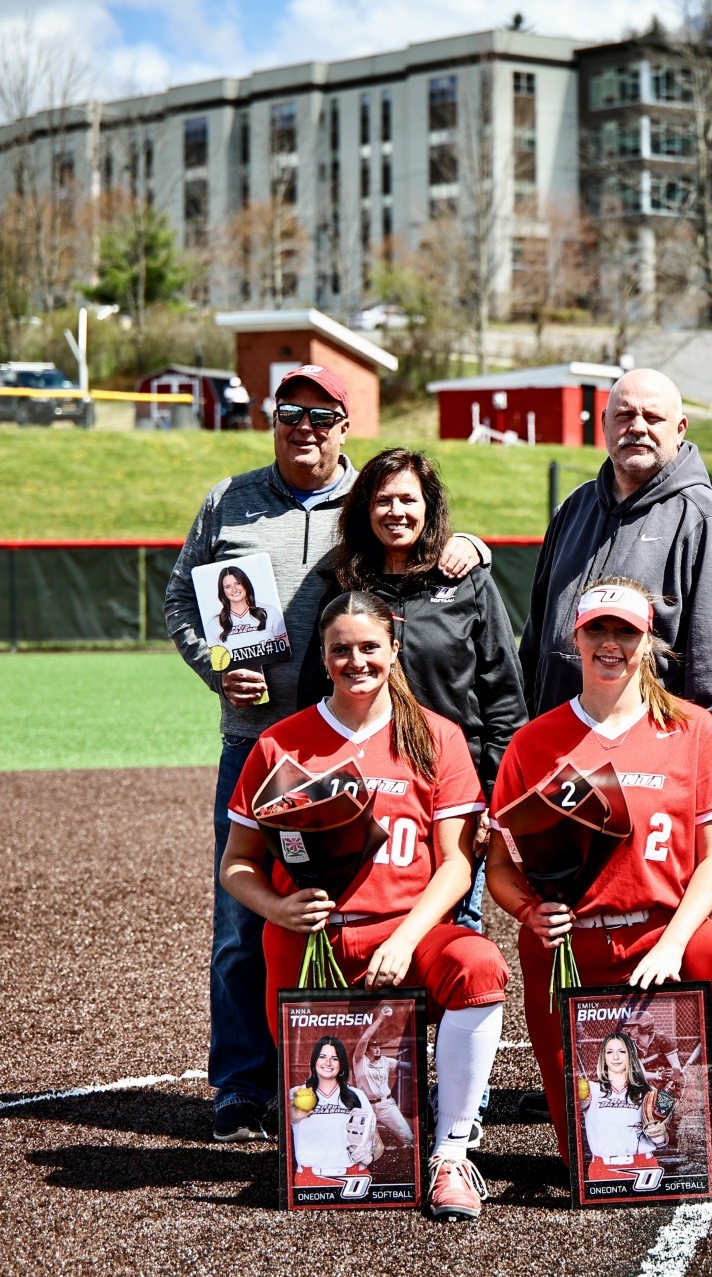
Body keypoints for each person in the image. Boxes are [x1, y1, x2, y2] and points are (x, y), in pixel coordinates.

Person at [166, 363, 485, 1144]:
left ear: (345, 425)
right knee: (249, 923)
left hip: (373, 739)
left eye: (321, 414)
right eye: (289, 413)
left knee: (393, 906)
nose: (303, 426)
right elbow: (181, 599)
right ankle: (244, 1087)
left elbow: (427, 537)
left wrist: (468, 542)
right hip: (264, 745)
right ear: (271, 421)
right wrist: (212, 662)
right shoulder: (227, 499)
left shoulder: (367, 497)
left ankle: (413, 1090)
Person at [486, 578, 712, 1214]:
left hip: (660, 933)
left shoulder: (692, 728)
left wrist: (676, 940)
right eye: (598, 630)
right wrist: (527, 911)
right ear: (576, 637)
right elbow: (499, 866)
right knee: (594, 1159)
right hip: (570, 947)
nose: (611, 644)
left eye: (626, 632)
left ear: (648, 642)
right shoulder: (534, 740)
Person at [220, 589, 510, 1223]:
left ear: (395, 650)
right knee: (330, 1110)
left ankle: (451, 1155)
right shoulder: (280, 744)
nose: (357, 661)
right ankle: (329, 1153)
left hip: (403, 935)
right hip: (310, 940)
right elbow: (236, 864)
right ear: (323, 657)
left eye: (370, 648)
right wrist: (276, 907)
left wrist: (405, 938)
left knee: (481, 964)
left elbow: (458, 864)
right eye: (341, 650)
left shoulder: (436, 737)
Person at [298, 448, 527, 931]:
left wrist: (491, 800)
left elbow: (504, 701)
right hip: (363, 793)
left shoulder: (468, 581)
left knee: (455, 931)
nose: (396, 511)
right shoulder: (343, 585)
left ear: (429, 507)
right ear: (365, 508)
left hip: (453, 792)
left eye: (409, 499)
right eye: (383, 500)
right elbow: (312, 697)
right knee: (363, 925)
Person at [516, 368, 712, 730]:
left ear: (681, 428)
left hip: (647, 761)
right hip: (556, 745)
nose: (638, 427)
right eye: (624, 415)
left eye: (654, 417)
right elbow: (535, 639)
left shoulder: (705, 520)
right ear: (604, 422)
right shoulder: (574, 509)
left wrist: (690, 758)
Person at [577, 1029, 670, 1186]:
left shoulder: (650, 1092)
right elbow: (580, 1103)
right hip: (603, 1169)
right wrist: (576, 1091)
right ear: (603, 1057)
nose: (615, 1057)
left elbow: (663, 1141)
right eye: (609, 1052)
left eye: (621, 1051)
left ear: (631, 1056)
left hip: (643, 1167)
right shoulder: (591, 1089)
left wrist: (660, 1135)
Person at [290, 1036, 379, 1179]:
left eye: (335, 1058)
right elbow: (278, 1125)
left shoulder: (357, 1095)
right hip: (310, 1177)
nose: (327, 1063)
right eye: (322, 1057)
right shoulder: (296, 1094)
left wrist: (369, 1155)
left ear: (341, 1064)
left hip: (355, 1175)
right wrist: (293, 1116)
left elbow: (378, 1144)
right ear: (314, 1061)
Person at [354, 1015, 416, 1146]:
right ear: (366, 1050)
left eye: (379, 1047)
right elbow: (365, 1038)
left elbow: (409, 1066)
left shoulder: (385, 1061)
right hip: (366, 1106)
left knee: (409, 1138)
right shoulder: (359, 1060)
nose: (378, 1049)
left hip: (386, 1105)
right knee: (358, 1142)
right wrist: (381, 1018)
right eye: (374, 1047)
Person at [216, 566, 270, 639]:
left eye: (238, 583)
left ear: (245, 584)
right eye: (227, 587)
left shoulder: (270, 612)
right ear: (223, 591)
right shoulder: (215, 622)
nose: (234, 590)